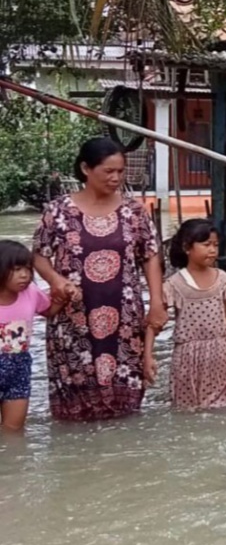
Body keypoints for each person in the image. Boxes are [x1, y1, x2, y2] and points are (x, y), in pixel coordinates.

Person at [32, 137, 166, 422]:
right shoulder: (57, 211)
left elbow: (151, 256)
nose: (116, 178)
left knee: (126, 406)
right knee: (74, 406)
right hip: (73, 320)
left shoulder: (134, 212)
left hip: (126, 320)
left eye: (120, 171)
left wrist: (157, 301)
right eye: (108, 171)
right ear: (86, 169)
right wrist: (56, 280)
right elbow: (39, 256)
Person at [144, 219, 226, 410]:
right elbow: (155, 322)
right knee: (188, 408)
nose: (212, 250)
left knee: (225, 406)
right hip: (188, 357)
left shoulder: (222, 278)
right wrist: (148, 357)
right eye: (206, 245)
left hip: (220, 352)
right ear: (187, 248)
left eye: (215, 245)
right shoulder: (175, 284)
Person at [0, 241, 66, 430]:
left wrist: (63, 298)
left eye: (28, 269)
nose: (25, 275)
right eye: (16, 269)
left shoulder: (31, 293)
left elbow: (48, 310)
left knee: (13, 430)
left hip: (18, 370)